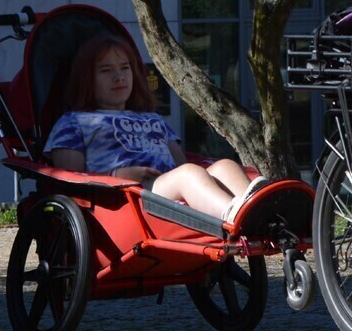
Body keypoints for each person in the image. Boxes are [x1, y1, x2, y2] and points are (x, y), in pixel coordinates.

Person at [44, 34, 265, 223]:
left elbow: (180, 164)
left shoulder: (153, 119)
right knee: (187, 175)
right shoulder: (74, 122)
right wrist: (115, 175)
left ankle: (261, 209)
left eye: (124, 68)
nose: (119, 76)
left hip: (168, 188)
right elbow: (68, 179)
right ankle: (238, 217)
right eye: (106, 70)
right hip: (125, 198)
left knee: (224, 166)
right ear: (86, 79)